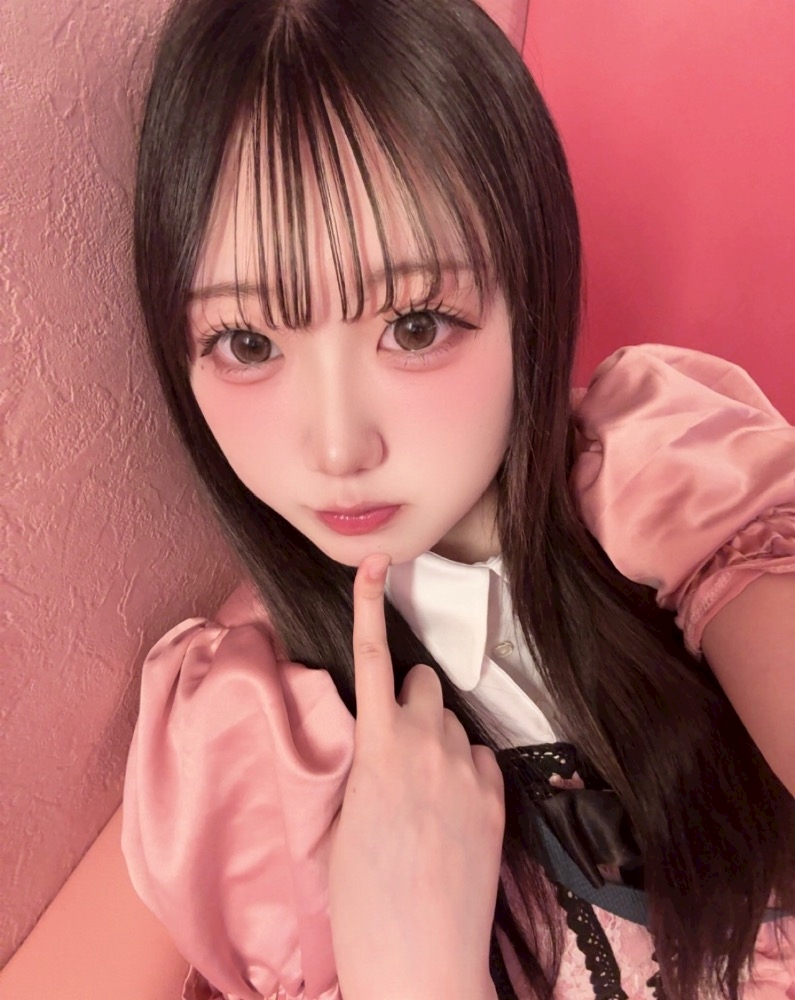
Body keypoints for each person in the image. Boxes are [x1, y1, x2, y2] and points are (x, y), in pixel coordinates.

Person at [120, 0, 795, 997]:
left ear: (529, 289)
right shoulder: (255, 742)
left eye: (415, 325)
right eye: (249, 343)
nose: (339, 446)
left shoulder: (669, 473)